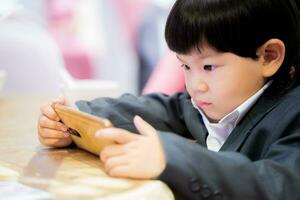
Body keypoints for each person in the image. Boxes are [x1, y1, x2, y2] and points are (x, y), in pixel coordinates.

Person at [38, 0, 300, 199]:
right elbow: (162, 108)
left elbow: (278, 184)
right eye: (185, 67)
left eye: (209, 67)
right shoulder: (212, 103)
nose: (195, 85)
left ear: (269, 56)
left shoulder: (293, 112)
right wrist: (75, 119)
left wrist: (170, 158)